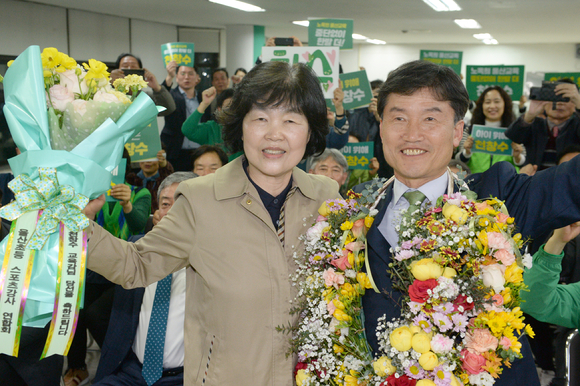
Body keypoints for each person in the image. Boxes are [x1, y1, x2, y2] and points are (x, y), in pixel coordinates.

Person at [82, 61, 339, 386]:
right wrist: (76, 227)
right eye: (260, 118)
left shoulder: (327, 199)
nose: (275, 134)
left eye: (290, 120)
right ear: (240, 127)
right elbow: (136, 265)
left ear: (310, 130)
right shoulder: (200, 199)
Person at [355, 60, 580, 386]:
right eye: (399, 118)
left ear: (458, 131)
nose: (412, 133)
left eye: (430, 118)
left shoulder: (497, 196)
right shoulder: (354, 212)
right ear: (381, 127)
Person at [93, 172, 197, 386]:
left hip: (185, 377)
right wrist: (83, 221)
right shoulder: (137, 250)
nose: (173, 213)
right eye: (166, 204)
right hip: (131, 373)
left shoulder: (213, 259)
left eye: (182, 204)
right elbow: (100, 266)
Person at [505, 78, 580, 172]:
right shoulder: (535, 125)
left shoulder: (576, 125)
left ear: (575, 104)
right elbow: (513, 137)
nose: (560, 103)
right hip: (535, 182)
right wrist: (529, 115)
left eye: (566, 98)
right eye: (555, 97)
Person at [456, 86, 525, 173]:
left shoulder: (515, 131)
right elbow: (459, 161)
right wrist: (467, 152)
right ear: (481, 106)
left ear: (505, 104)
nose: (492, 106)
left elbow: (523, 162)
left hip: (506, 183)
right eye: (488, 102)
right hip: (475, 183)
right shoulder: (470, 130)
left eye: (497, 101)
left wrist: (517, 156)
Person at [161, 63, 210, 172]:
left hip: (199, 152)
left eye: (190, 74)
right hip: (175, 152)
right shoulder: (171, 95)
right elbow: (161, 95)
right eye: (182, 74)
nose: (186, 77)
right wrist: (169, 77)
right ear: (177, 77)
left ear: (197, 78)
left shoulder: (204, 98)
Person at [109, 53, 176, 116]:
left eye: (133, 66)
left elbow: (168, 109)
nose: (129, 69)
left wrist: (157, 87)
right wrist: (110, 83)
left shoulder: (145, 98)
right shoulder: (108, 94)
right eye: (125, 66)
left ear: (140, 71)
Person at [180, 86, 235, 155]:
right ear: (219, 109)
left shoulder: (244, 128)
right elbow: (187, 130)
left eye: (235, 107)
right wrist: (204, 104)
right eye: (228, 107)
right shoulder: (211, 128)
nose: (232, 111)